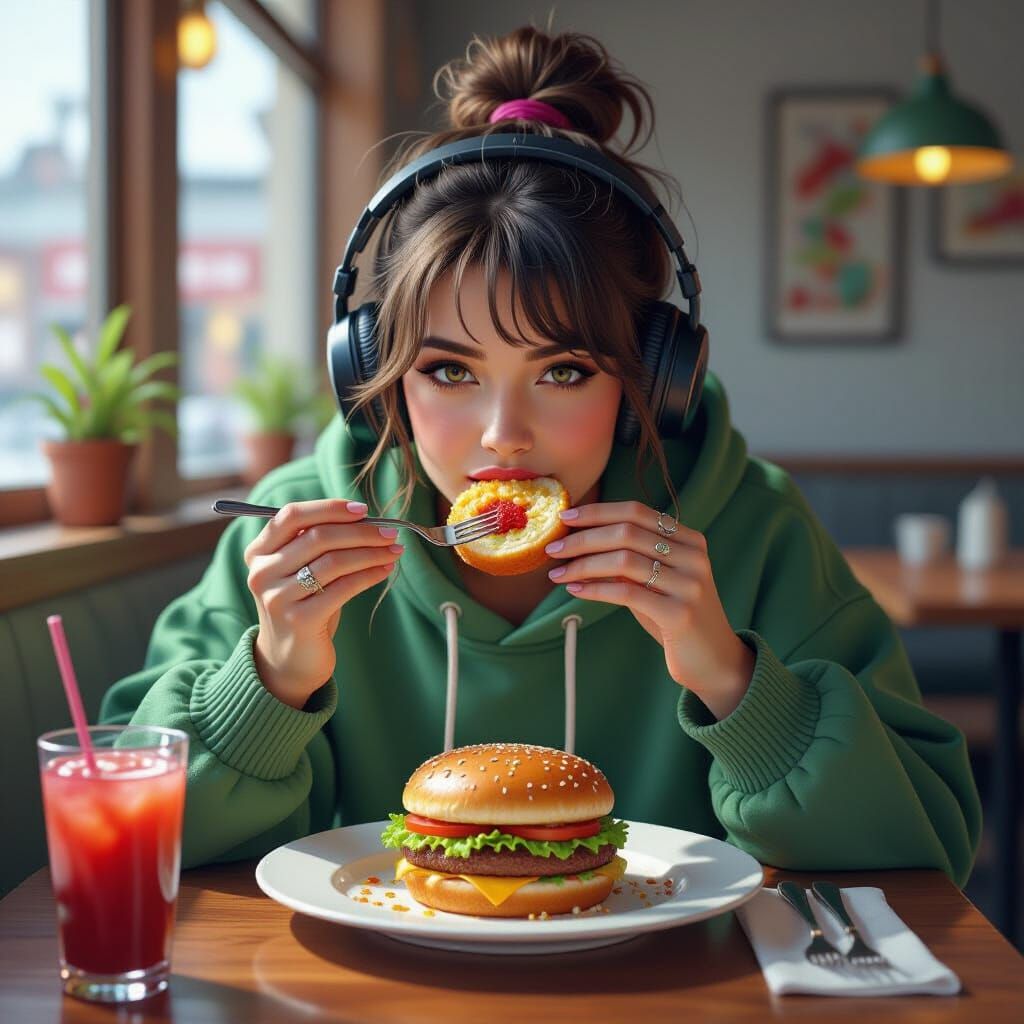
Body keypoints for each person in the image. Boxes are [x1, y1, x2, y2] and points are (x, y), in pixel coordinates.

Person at [101, 26, 981, 885]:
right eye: (450, 369)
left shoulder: (754, 525)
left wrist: (731, 677)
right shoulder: (297, 530)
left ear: (650, 380)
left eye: (562, 370)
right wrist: (275, 678)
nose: (502, 433)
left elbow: (930, 841)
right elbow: (136, 833)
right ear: (374, 370)